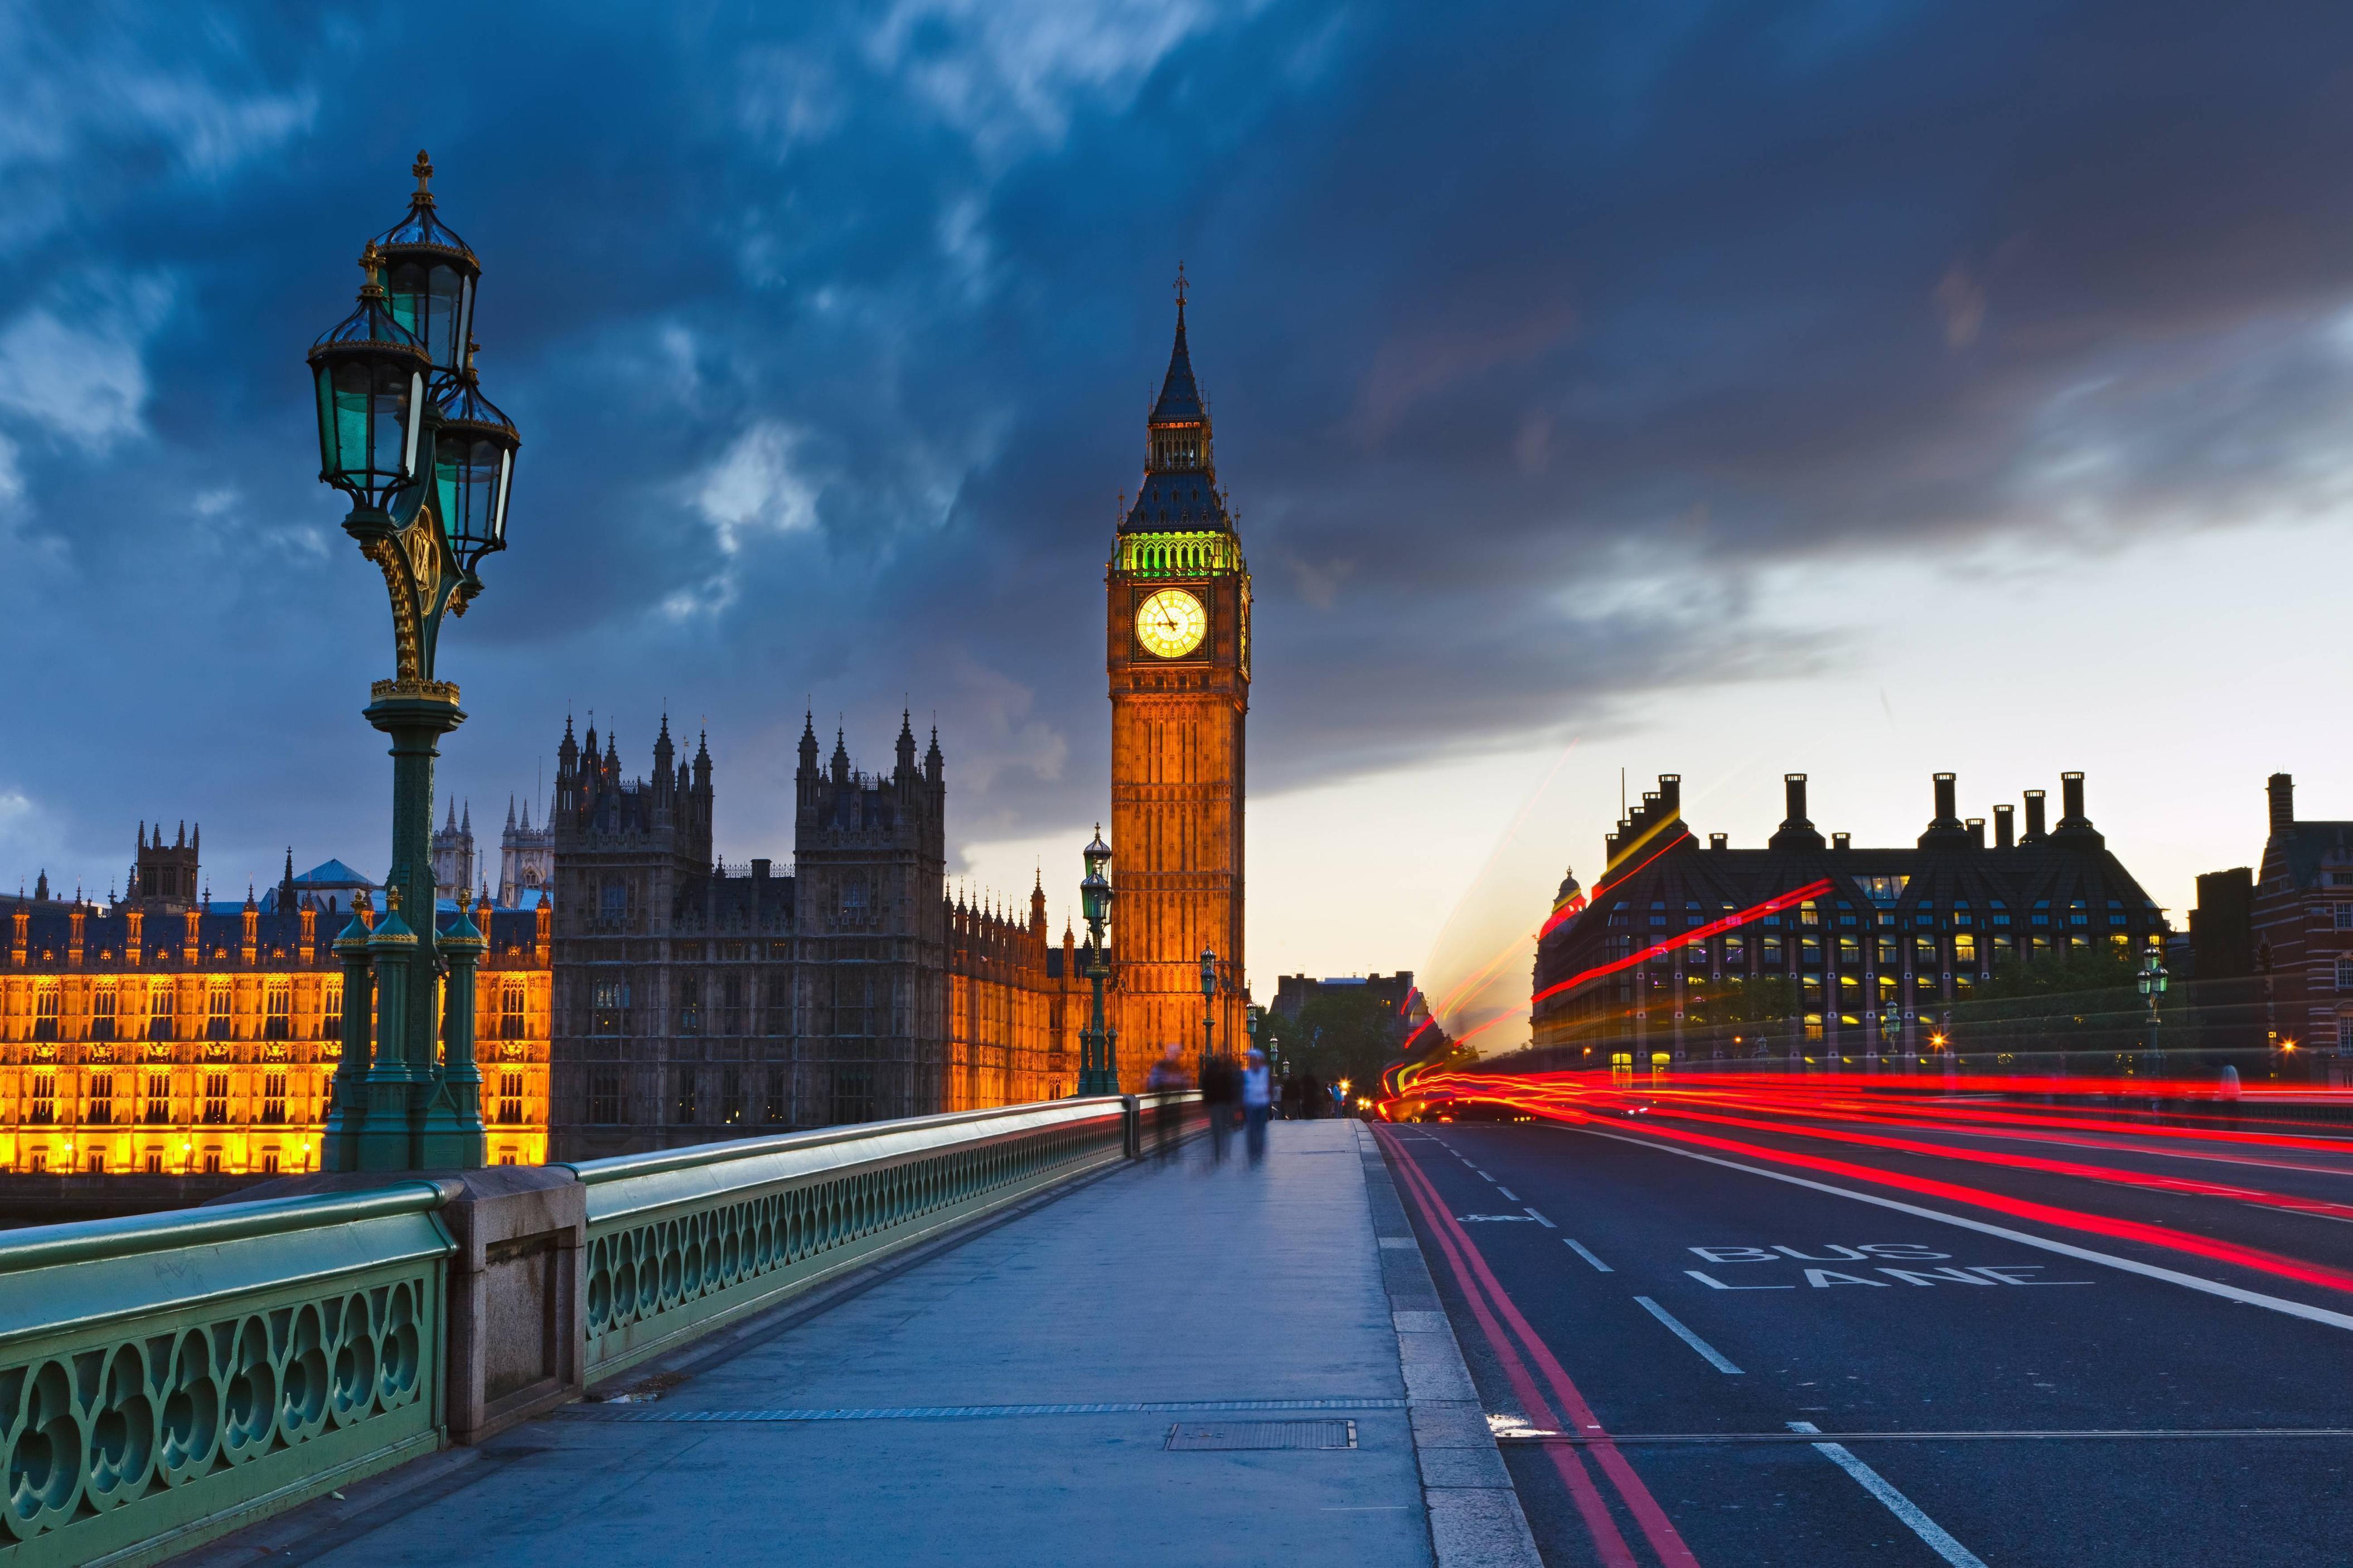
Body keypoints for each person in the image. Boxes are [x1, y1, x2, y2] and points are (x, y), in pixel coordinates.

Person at [1145, 1044, 1189, 1162]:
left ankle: (1171, 1153)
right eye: (1175, 1054)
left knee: (1173, 1129)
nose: (1177, 1056)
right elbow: (1153, 1083)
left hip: (1173, 1104)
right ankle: (1164, 1153)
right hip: (1165, 1103)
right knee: (1165, 1129)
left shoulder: (1178, 1067)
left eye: (1178, 1054)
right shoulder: (1162, 1066)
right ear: (1169, 1053)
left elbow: (1184, 1085)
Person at [1200, 1051, 1238, 1163]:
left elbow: (1205, 1086)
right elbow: (1232, 1088)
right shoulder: (1228, 1072)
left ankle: (1217, 1153)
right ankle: (1225, 1153)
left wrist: (1206, 1101)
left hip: (1215, 1104)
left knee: (1216, 1129)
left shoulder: (1210, 1072)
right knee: (1225, 1128)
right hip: (1225, 1103)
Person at [1241, 1048, 1272, 1164]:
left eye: (1255, 1061)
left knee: (1260, 1129)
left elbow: (1270, 1088)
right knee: (1252, 1129)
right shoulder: (1246, 1074)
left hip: (1263, 1104)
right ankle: (1253, 1153)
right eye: (1252, 1061)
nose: (1253, 1063)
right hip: (1251, 1104)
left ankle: (1259, 1151)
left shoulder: (1265, 1072)